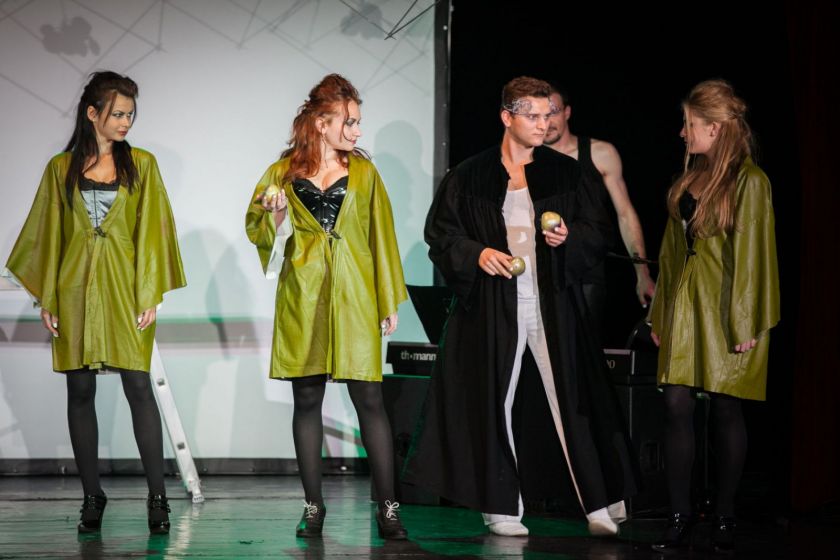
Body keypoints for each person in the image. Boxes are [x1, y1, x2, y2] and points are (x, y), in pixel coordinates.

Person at [404, 76, 639, 537]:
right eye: (532, 115)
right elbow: (441, 235)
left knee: (571, 398)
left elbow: (598, 230)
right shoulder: (469, 175)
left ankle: (598, 505)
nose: (543, 123)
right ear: (507, 117)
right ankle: (501, 507)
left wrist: (567, 238)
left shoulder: (566, 173)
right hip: (494, 303)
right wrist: (478, 253)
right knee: (496, 397)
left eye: (548, 113)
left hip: (552, 301)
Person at [3, 71, 186, 534]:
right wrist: (47, 296)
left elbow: (155, 230)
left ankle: (158, 498)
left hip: (126, 289)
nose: (125, 122)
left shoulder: (141, 164)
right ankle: (91, 495)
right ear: (92, 113)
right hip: (75, 290)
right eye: (117, 113)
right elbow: (47, 234)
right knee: (79, 390)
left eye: (130, 114)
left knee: (138, 387)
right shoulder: (60, 168)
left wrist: (149, 292)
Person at [245, 74, 409, 540]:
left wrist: (385, 295)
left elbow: (382, 234)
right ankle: (313, 506)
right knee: (307, 397)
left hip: (355, 291)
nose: (357, 131)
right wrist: (275, 211)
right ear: (321, 122)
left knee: (369, 399)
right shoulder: (283, 170)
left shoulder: (364, 173)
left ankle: (389, 508)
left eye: (358, 122)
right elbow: (260, 229)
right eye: (349, 122)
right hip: (304, 291)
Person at [648, 79, 780, 554]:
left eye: (690, 125)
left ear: (716, 128)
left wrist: (746, 322)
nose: (683, 133)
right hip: (685, 304)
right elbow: (668, 254)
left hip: (727, 306)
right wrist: (661, 312)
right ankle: (680, 514)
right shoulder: (689, 178)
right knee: (676, 403)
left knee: (726, 405)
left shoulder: (751, 181)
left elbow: (754, 255)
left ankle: (724, 515)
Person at [543, 85, 655, 333]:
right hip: (541, 275)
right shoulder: (527, 160)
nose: (547, 121)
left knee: (581, 355)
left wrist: (642, 272)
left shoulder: (600, 153)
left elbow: (625, 214)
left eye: (553, 112)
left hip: (587, 274)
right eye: (539, 114)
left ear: (567, 112)